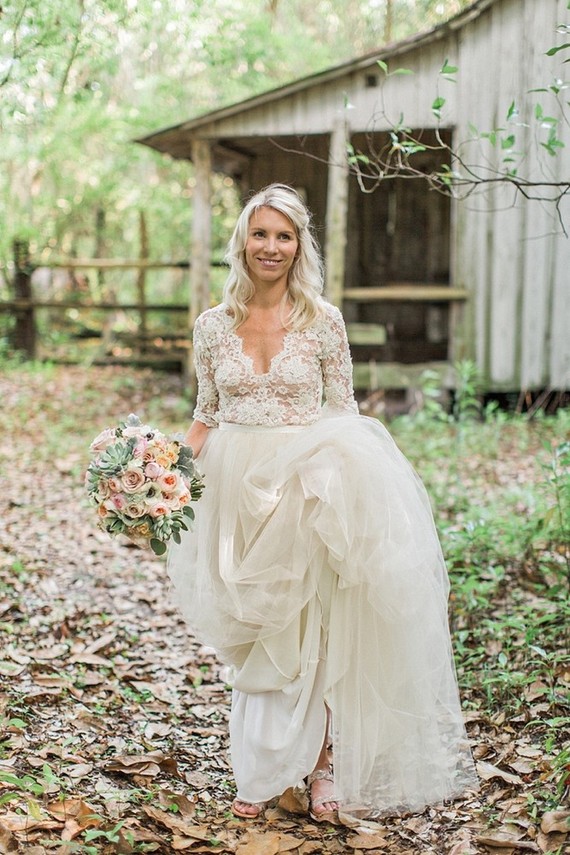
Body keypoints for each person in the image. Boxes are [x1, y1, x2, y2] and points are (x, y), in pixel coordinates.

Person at [167, 183, 477, 821]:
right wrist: (155, 473)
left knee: (320, 630)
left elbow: (344, 412)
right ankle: (261, 769)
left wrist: (335, 487)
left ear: (300, 245)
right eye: (261, 235)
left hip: (309, 488)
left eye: (285, 236)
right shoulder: (211, 325)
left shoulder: (323, 321)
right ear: (242, 242)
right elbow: (205, 416)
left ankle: (324, 769)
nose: (271, 248)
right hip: (235, 493)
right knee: (262, 634)